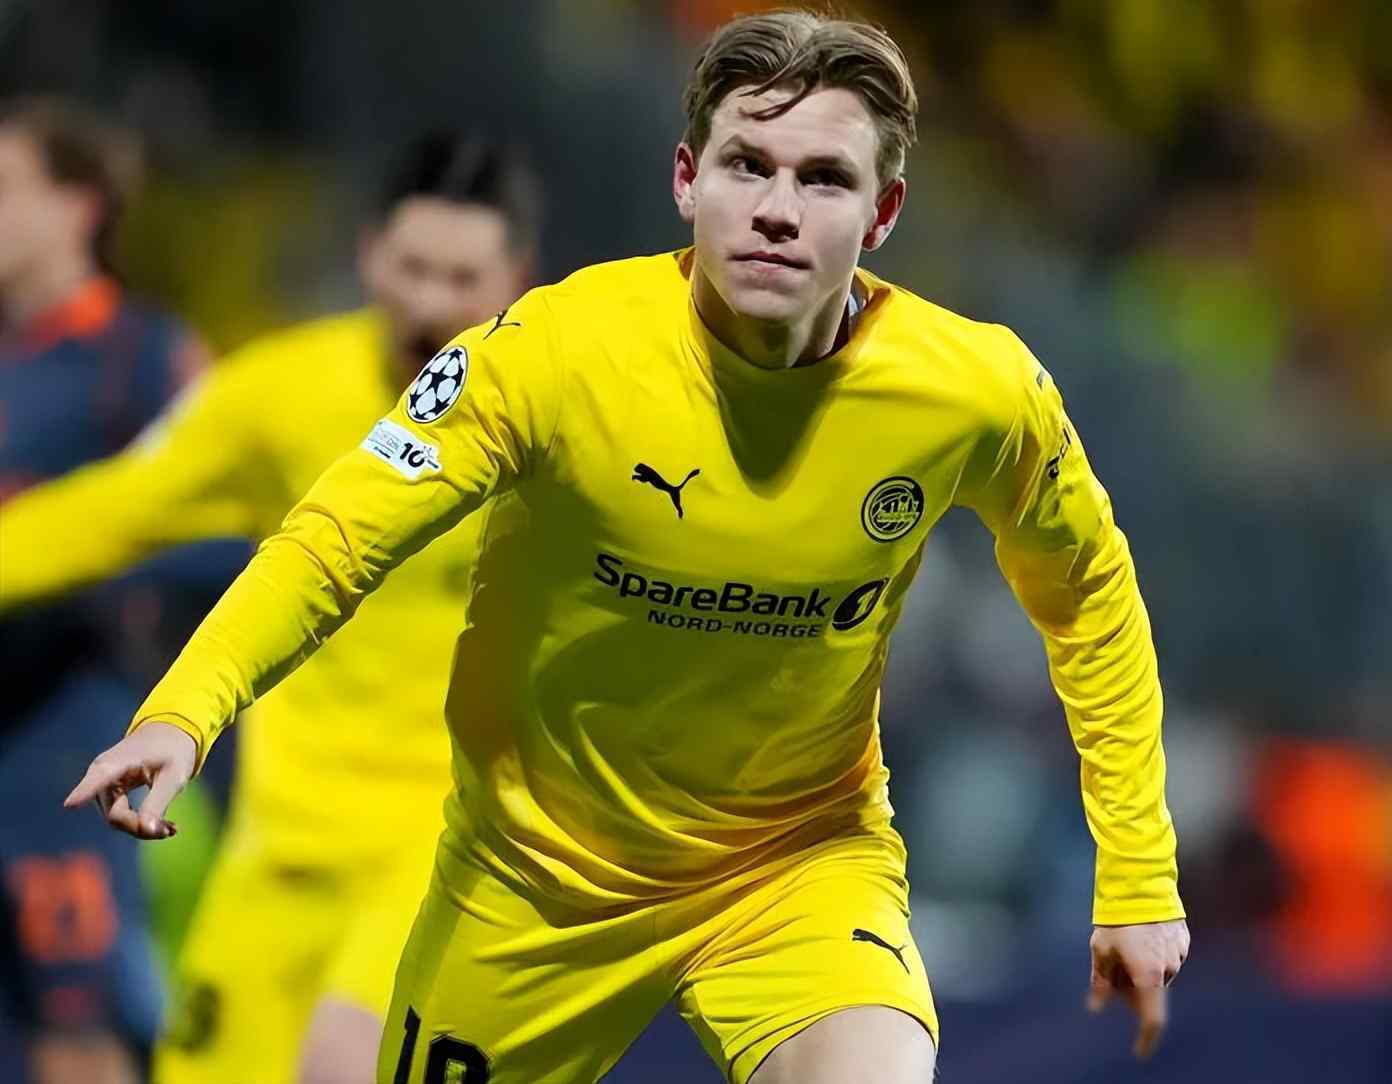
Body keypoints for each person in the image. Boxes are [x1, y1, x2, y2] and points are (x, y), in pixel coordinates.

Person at [58, 11, 1191, 1083]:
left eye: (824, 178)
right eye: (748, 165)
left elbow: (1089, 595)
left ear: (883, 212)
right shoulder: (552, 353)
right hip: (532, 875)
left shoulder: (976, 391)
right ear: (687, 178)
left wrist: (1138, 870)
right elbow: (335, 536)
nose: (778, 209)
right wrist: (185, 710)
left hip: (793, 865)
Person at [1, 132, 539, 1083]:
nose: (429, 304)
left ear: (518, 279)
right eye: (412, 268)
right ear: (368, 253)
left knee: (341, 1065)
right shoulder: (280, 393)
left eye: (462, 279)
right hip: (280, 849)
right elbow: (112, 511)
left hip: (446, 840)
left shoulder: (550, 416)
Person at [0, 97, 215, 1084]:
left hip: (61, 746)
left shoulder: (141, 354)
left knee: (77, 1034)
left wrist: (76, 560)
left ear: (78, 204)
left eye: (7, 188)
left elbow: (232, 531)